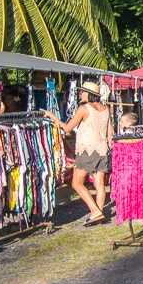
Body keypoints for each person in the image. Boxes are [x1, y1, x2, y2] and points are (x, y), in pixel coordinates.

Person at [42, 81, 112, 226]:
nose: (80, 94)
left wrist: (52, 117)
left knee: (77, 183)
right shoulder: (106, 109)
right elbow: (110, 133)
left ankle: (95, 211)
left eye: (82, 91)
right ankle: (99, 214)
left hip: (87, 150)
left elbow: (68, 128)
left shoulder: (84, 108)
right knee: (99, 184)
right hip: (103, 149)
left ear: (88, 94)